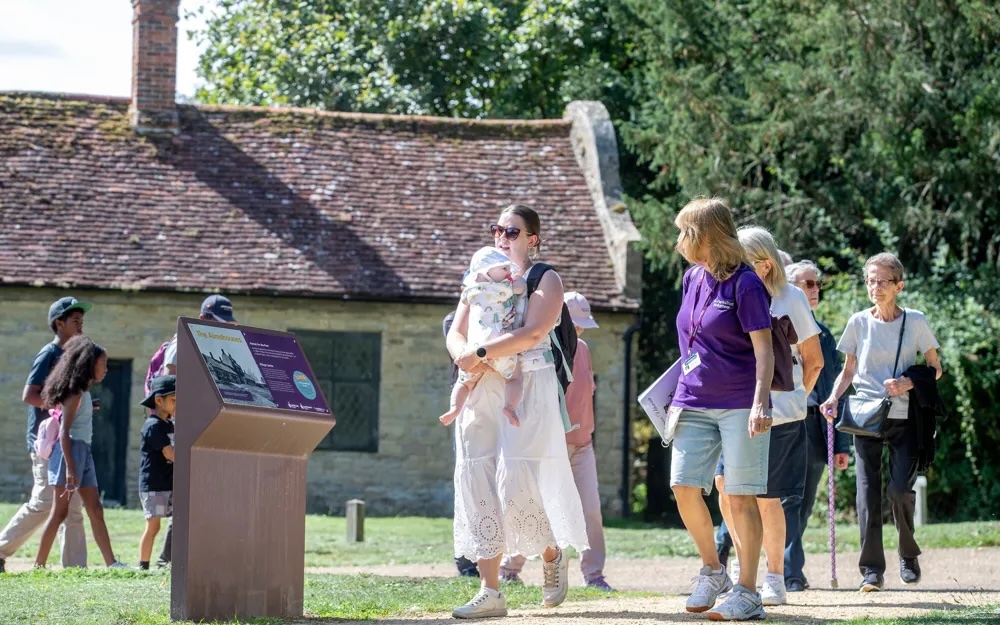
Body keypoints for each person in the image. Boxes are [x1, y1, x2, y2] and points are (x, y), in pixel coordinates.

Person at [447, 204, 589, 619]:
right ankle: (490, 590)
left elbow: (535, 332)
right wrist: (465, 358)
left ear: (533, 239)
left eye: (512, 232)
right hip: (480, 384)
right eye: (498, 230)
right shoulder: (478, 277)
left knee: (517, 480)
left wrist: (480, 352)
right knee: (478, 475)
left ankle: (549, 553)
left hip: (528, 384)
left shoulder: (545, 278)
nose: (502, 238)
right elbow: (457, 331)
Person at [668, 198, 774, 621]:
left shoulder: (746, 284)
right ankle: (714, 570)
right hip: (692, 400)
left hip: (738, 403)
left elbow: (764, 349)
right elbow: (690, 341)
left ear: (706, 236)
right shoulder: (692, 277)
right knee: (682, 486)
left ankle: (749, 592)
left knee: (741, 495)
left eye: (685, 232)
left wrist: (760, 401)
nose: (679, 241)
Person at [714, 227, 824, 606]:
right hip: (731, 411)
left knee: (767, 498)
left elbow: (814, 362)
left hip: (778, 416)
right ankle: (742, 569)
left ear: (763, 265)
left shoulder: (791, 298)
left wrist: (793, 401)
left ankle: (775, 576)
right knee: (726, 490)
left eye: (739, 261)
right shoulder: (729, 294)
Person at [820, 253, 942, 592]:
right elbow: (847, 371)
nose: (875, 287)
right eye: (870, 280)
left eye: (882, 281)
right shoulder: (858, 321)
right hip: (866, 416)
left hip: (904, 416)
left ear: (898, 286)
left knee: (900, 490)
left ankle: (907, 553)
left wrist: (908, 383)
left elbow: (936, 367)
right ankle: (871, 570)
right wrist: (832, 398)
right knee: (866, 494)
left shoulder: (915, 321)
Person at [498, 291, 615, 592]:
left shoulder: (585, 350)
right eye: (574, 325)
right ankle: (510, 568)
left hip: (582, 444)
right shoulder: (541, 349)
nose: (578, 331)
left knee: (591, 509)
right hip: (550, 444)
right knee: (536, 505)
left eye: (581, 327)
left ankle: (594, 576)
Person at [0, 297, 91, 574]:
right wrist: (59, 405)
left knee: (73, 505)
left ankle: (75, 569)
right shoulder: (49, 354)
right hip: (46, 442)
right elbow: (29, 395)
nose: (80, 324)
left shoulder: (75, 356)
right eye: (74, 319)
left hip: (69, 440)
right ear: (58, 323)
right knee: (43, 503)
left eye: (81, 319)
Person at [153, 294, 237, 568]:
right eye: (217, 322)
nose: (221, 328)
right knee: (187, 493)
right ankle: (166, 559)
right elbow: (169, 383)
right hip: (182, 426)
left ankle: (186, 557)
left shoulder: (209, 345)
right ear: (203, 318)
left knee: (200, 492)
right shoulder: (182, 344)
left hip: (202, 423)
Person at [785, 260, 851, 591]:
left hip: (814, 423)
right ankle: (790, 573)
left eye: (817, 284)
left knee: (806, 501)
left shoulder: (823, 334)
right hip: (785, 421)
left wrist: (841, 444)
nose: (814, 290)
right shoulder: (777, 323)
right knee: (789, 499)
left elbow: (835, 389)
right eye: (807, 284)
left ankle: (786, 568)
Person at [34, 336, 127, 569]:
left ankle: (112, 563)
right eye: (103, 364)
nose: (105, 369)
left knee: (96, 508)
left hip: (82, 451)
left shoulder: (82, 394)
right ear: (89, 363)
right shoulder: (74, 392)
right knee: (60, 512)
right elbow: (64, 433)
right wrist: (70, 470)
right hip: (70, 452)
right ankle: (38, 565)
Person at [440, 247, 526, 427]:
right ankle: (510, 407)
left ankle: (455, 408)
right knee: (514, 378)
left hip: (473, 348)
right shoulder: (502, 289)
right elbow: (521, 287)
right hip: (498, 345)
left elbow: (463, 305)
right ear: (487, 272)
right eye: (504, 269)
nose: (509, 272)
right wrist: (517, 281)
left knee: (463, 384)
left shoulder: (470, 292)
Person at [137, 375, 176, 571]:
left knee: (173, 521)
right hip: (154, 484)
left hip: (168, 483)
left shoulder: (169, 424)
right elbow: (170, 453)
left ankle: (168, 562)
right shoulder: (153, 426)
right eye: (174, 400)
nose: (178, 404)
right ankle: (143, 566)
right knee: (153, 527)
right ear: (159, 400)